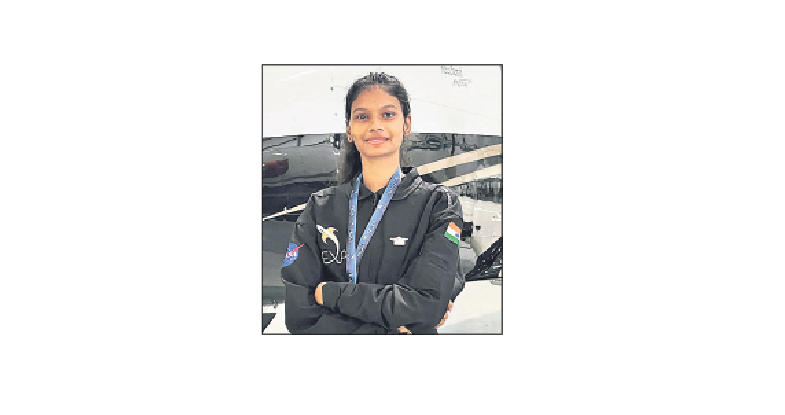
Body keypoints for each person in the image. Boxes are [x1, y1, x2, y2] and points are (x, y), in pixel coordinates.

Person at [280, 72, 464, 334]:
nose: (375, 125)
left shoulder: (439, 205)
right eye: (362, 116)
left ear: (406, 124)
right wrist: (390, 327)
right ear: (349, 129)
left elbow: (425, 306)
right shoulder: (320, 209)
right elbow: (300, 316)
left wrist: (332, 293)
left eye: (388, 114)